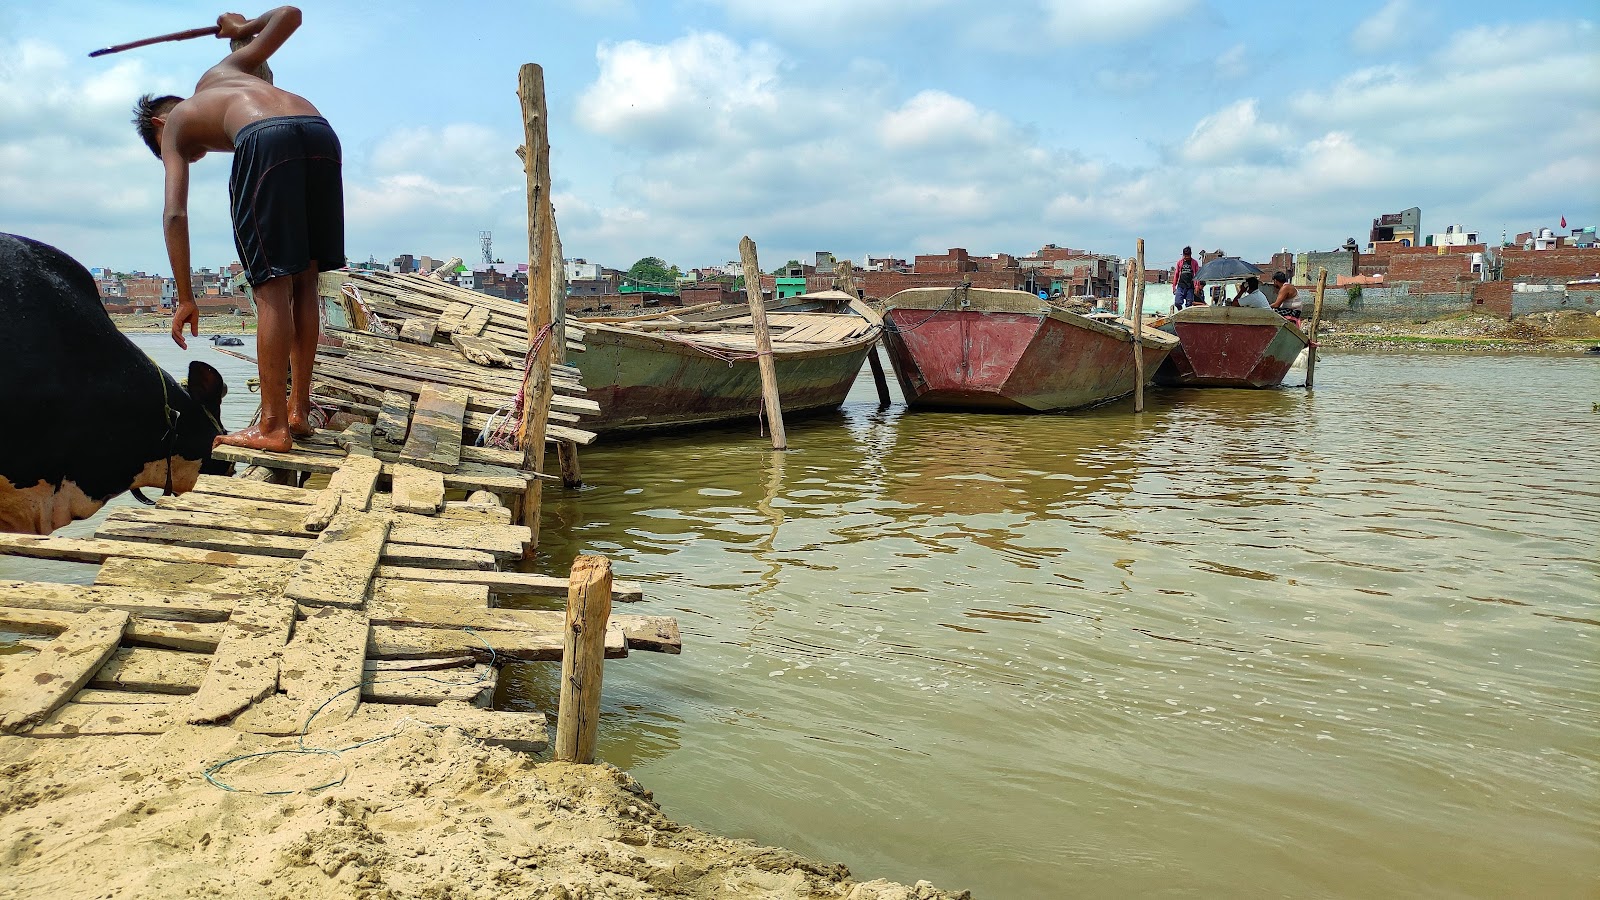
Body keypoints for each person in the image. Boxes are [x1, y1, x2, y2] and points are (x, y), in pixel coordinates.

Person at [133, 7, 342, 453]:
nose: (188, 157)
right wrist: (242, 29)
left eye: (164, 150)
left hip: (267, 140)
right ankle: (298, 411)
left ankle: (272, 427)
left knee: (271, 285)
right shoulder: (226, 70)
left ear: (159, 124)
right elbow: (289, 14)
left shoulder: (177, 123)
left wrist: (186, 297)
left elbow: (174, 214)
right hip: (320, 132)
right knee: (305, 280)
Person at [1171, 246, 1202, 310]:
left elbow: (1197, 275)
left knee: (1189, 304)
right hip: (1181, 286)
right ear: (1183, 255)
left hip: (1190, 287)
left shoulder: (1194, 262)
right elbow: (1176, 274)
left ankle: (1187, 315)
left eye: (1188, 255)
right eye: (1185, 256)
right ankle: (1180, 311)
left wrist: (1197, 286)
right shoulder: (1179, 262)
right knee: (1177, 303)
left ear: (1190, 254)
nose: (1186, 257)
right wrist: (1174, 286)